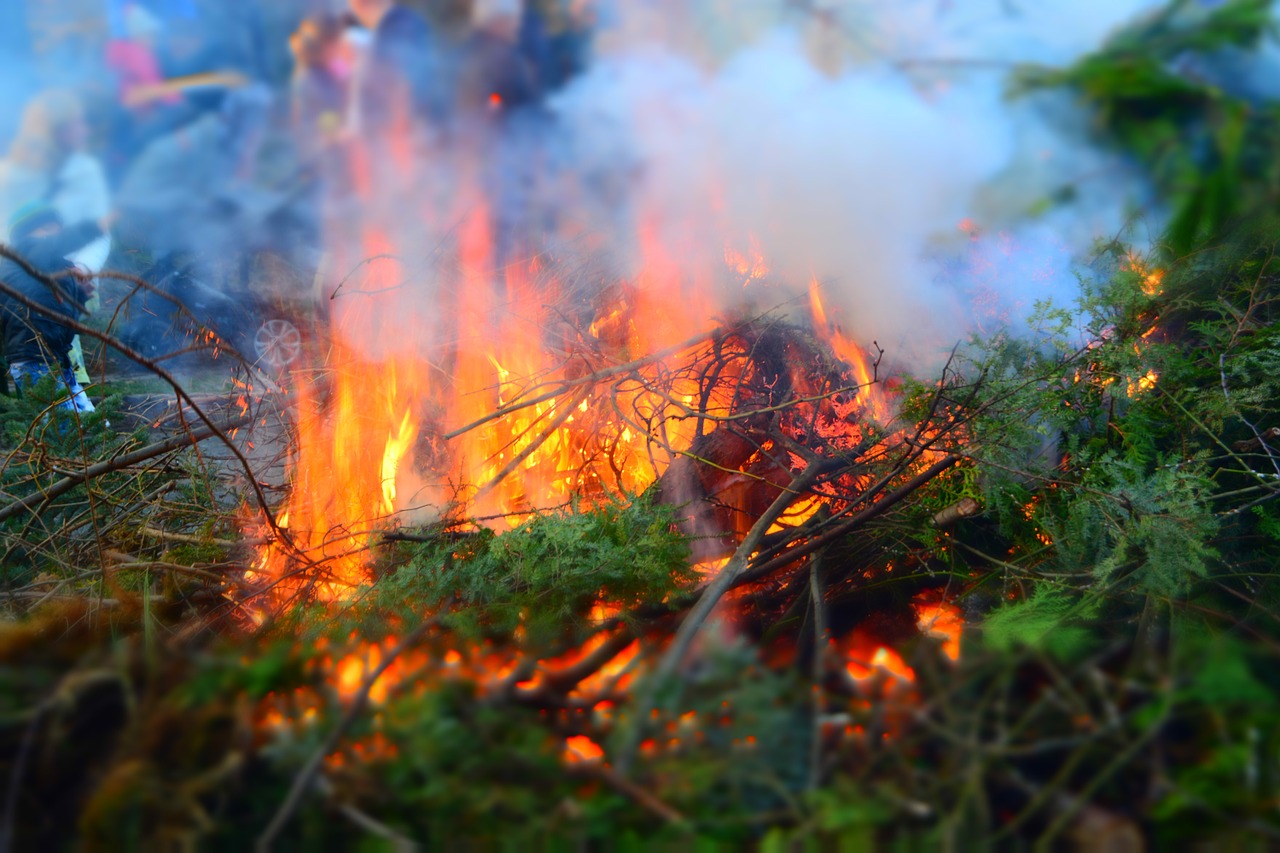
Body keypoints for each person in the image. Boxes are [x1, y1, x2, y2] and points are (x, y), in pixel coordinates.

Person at [0, 89, 113, 386]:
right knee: (33, 363)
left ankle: (72, 412)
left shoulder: (84, 171)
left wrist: (82, 271)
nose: (84, 130)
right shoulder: (9, 175)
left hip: (66, 287)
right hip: (21, 294)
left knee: (60, 362)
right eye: (75, 123)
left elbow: (100, 234)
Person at [0, 202, 107, 413]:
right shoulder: (25, 251)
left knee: (88, 423)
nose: (56, 233)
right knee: (64, 428)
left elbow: (65, 320)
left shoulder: (50, 268)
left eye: (57, 227)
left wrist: (80, 296)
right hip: (34, 358)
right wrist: (98, 226)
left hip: (57, 358)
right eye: (48, 227)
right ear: (27, 232)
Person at [347, 0, 442, 136]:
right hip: (422, 138)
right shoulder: (416, 24)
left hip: (395, 143)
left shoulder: (382, 44)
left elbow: (365, 120)